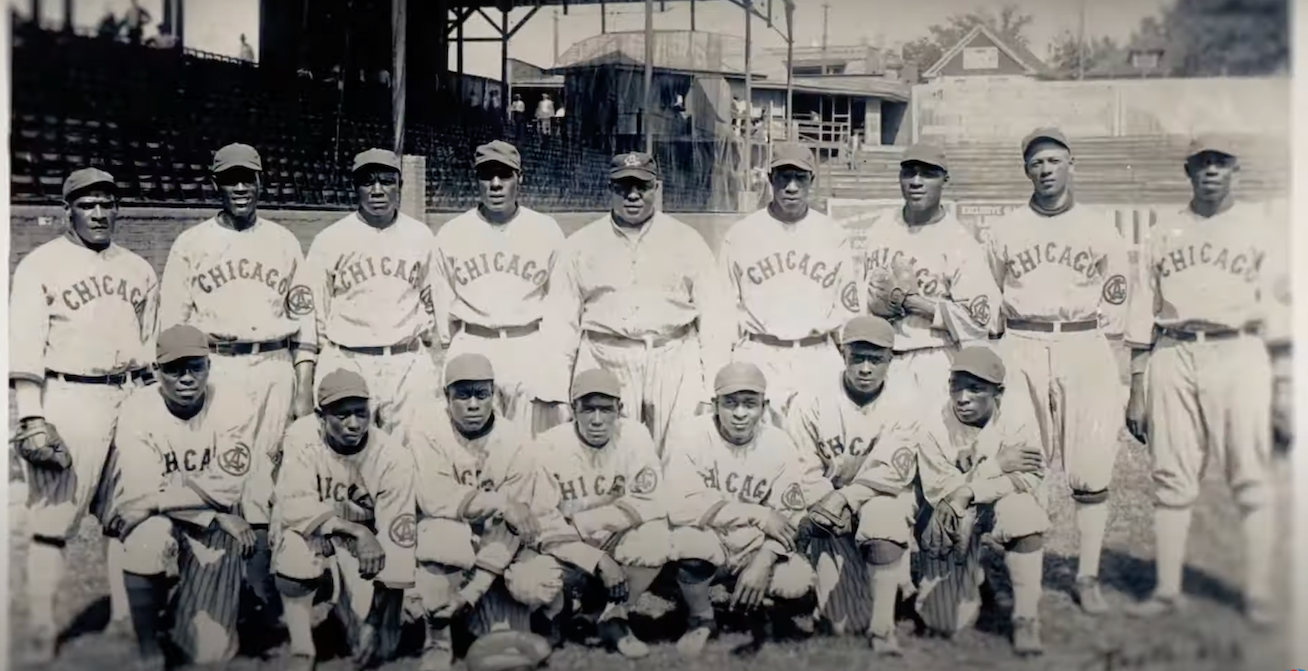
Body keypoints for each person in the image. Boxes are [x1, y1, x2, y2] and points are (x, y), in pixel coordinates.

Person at [1123, 137, 1281, 627]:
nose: (1211, 170)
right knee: (1170, 473)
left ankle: (1257, 594)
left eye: (1221, 162)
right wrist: (1136, 384)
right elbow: (1140, 308)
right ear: (1187, 170)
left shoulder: (1259, 227)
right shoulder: (1163, 229)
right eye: (1202, 163)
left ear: (1234, 169)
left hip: (1239, 350)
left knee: (1251, 474)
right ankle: (1168, 590)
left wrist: (1288, 385)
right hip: (1173, 350)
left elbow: (1282, 308)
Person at [158, 143, 314, 628]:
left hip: (272, 364)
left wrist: (303, 389)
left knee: (267, 478)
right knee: (220, 476)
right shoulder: (192, 242)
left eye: (249, 177)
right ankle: (212, 586)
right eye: (231, 179)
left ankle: (262, 590)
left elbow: (304, 321)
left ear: (262, 181)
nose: (241, 187)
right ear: (216, 184)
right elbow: (172, 323)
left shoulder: (284, 242)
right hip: (219, 367)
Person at [9, 167, 159, 662]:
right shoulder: (40, 265)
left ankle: (121, 619)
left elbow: (150, 348)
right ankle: (42, 629)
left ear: (117, 208)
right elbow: (24, 350)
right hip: (69, 396)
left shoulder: (138, 268)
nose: (98, 213)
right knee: (53, 520)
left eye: (106, 204)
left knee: (125, 515)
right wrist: (31, 416)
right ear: (67, 210)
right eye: (87, 204)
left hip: (129, 395)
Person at [983, 128, 1130, 614]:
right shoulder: (1005, 229)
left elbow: (1117, 296)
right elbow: (989, 298)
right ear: (1026, 171)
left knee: (1090, 468)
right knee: (1026, 462)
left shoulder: (1099, 228)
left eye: (1053, 160)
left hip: (1082, 341)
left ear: (1071, 163)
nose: (1045, 170)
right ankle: (1028, 575)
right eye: (1035, 163)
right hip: (1021, 341)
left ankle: (1086, 576)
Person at [538, 152, 733, 453]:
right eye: (623, 186)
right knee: (610, 456)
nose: (632, 195)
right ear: (609, 189)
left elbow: (715, 318)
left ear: (657, 188)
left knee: (681, 455)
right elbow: (560, 322)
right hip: (606, 355)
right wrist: (557, 390)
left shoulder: (686, 240)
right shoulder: (580, 244)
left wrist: (712, 389)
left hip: (673, 358)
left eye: (642, 186)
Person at [408, 353, 590, 671]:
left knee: (538, 582)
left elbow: (514, 527)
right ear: (446, 396)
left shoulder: (517, 442)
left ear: (495, 395)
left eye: (482, 393)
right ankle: (437, 641)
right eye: (462, 395)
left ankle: (536, 614)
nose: (473, 404)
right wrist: (500, 503)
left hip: (501, 552)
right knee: (439, 537)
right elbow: (434, 500)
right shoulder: (426, 430)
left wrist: (472, 594)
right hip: (451, 544)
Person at [100, 325, 260, 669]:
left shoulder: (235, 403)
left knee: (208, 653)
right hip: (184, 516)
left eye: (195, 366)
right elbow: (141, 495)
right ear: (157, 372)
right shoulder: (136, 410)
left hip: (200, 514)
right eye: (174, 369)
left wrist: (160, 503)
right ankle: (147, 647)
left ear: (208, 367)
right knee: (147, 537)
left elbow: (229, 486)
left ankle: (189, 602)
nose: (186, 377)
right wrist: (214, 515)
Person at [664, 362, 829, 658]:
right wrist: (757, 514)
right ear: (715, 404)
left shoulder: (779, 444)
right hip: (709, 541)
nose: (740, 413)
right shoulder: (690, 436)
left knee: (797, 580)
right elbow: (678, 507)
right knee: (687, 543)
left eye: (750, 404)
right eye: (730, 403)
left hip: (753, 548)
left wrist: (763, 563)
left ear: (764, 406)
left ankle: (758, 607)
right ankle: (701, 619)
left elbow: (790, 517)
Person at [271, 369, 417, 671]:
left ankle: (346, 608)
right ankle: (302, 646)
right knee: (293, 549)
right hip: (319, 531)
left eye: (360, 413)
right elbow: (295, 506)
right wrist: (353, 531)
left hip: (368, 547)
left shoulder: (392, 457)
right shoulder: (300, 436)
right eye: (342, 415)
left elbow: (397, 541)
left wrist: (374, 623)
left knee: (383, 648)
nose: (354, 423)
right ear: (321, 416)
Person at [783, 316, 913, 641]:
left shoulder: (908, 400)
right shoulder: (811, 400)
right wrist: (828, 504)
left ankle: (883, 629)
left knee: (883, 516)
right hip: (827, 506)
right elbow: (801, 467)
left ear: (890, 359)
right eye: (858, 357)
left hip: (881, 498)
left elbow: (892, 473)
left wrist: (844, 500)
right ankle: (880, 580)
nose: (866, 368)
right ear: (844, 354)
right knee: (842, 625)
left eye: (876, 359)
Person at [913, 346, 1048, 656]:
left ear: (997, 392)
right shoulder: (933, 422)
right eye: (956, 386)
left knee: (1023, 513)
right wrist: (995, 466)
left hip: (992, 504)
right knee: (943, 622)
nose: (962, 397)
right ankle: (974, 576)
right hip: (948, 513)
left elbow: (1030, 478)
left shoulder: (1019, 417)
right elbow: (942, 493)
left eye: (975, 388)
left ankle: (1027, 617)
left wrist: (971, 492)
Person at [297, 148, 442, 433]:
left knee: (414, 461)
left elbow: (430, 301)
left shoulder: (421, 236)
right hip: (349, 359)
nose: (377, 190)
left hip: (406, 363)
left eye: (387, 181)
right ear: (355, 188)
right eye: (368, 181)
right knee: (350, 461)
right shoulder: (330, 239)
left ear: (400, 186)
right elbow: (314, 316)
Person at [533, 368, 671, 658]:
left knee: (655, 539)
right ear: (573, 410)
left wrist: (587, 522)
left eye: (606, 409)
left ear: (619, 410)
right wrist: (596, 559)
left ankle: (613, 617)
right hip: (565, 546)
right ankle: (557, 614)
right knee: (531, 580)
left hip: (605, 537)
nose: (596, 419)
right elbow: (543, 522)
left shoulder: (635, 436)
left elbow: (652, 500)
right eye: (588, 408)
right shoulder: (548, 445)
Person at [430, 141, 566, 435]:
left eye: (504, 175)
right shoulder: (452, 232)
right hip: (472, 341)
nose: (495, 184)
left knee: (529, 446)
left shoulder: (546, 229)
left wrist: (552, 360)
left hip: (528, 344)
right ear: (476, 180)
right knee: (471, 444)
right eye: (486, 175)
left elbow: (560, 302)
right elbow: (442, 303)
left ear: (520, 178)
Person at [719, 143, 862, 417]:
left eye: (800, 177)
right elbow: (723, 314)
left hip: (817, 354)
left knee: (819, 443)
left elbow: (848, 311)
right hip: (759, 351)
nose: (792, 187)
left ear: (812, 181)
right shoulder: (741, 234)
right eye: (784, 177)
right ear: (770, 179)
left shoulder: (832, 234)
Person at [862, 143, 999, 410]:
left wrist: (915, 304)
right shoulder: (880, 230)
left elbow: (982, 319)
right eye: (909, 173)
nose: (916, 181)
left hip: (933, 358)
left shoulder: (959, 241)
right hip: (883, 359)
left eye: (927, 174)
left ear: (944, 180)